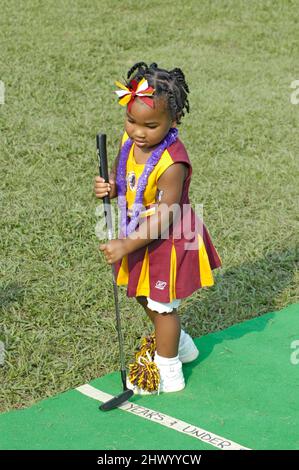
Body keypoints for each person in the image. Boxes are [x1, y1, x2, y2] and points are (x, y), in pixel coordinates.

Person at [94, 62, 222, 394]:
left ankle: (169, 370)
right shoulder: (129, 140)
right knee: (139, 291)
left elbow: (165, 216)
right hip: (140, 231)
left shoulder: (173, 163)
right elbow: (123, 175)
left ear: (173, 120)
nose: (138, 132)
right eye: (132, 121)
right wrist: (109, 186)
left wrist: (124, 245)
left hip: (170, 238)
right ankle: (180, 345)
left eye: (150, 125)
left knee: (163, 305)